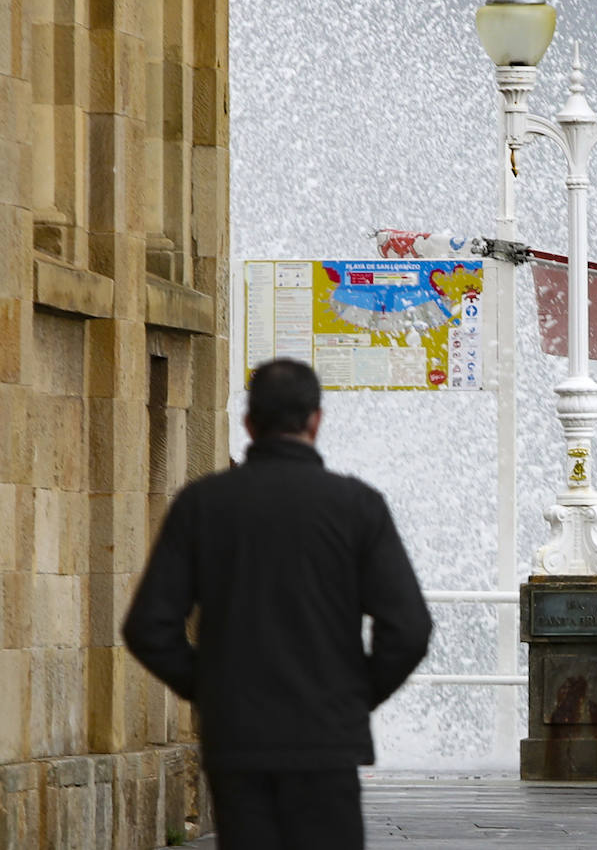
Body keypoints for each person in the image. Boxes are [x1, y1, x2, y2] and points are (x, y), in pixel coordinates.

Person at [123, 359, 433, 848]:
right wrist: (350, 697)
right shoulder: (357, 507)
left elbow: (147, 627)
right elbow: (409, 628)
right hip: (326, 743)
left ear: (249, 424)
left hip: (238, 741)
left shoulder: (203, 505)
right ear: (316, 420)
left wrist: (211, 688)